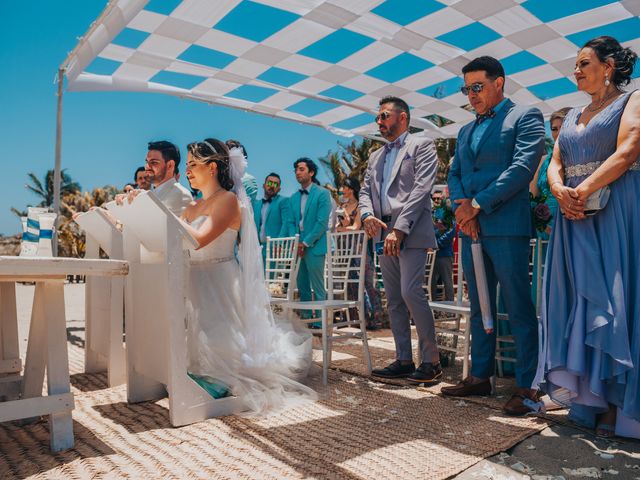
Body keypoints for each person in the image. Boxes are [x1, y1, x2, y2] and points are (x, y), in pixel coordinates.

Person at [534, 36, 640, 438]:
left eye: (583, 63)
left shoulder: (632, 101)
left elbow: (628, 150)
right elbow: (555, 160)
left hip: (615, 208)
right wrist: (560, 189)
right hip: (573, 216)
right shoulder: (576, 111)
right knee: (576, 297)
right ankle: (586, 397)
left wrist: (583, 190)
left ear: (608, 66)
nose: (575, 72)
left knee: (615, 298)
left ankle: (616, 403)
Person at [178, 137, 315, 414]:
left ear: (213, 167)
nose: (187, 171)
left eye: (193, 164)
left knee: (224, 342)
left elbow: (200, 239)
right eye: (187, 165)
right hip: (192, 278)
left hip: (220, 279)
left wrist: (167, 220)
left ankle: (220, 378)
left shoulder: (228, 201)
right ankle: (199, 372)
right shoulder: (191, 207)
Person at [443, 56, 546, 415]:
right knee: (479, 305)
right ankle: (480, 375)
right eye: (466, 88)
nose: (471, 95)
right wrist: (461, 207)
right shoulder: (466, 130)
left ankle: (526, 385)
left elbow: (523, 167)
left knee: (518, 306)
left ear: (498, 83)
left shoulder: (526, 116)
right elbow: (454, 171)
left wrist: (478, 205)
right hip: (471, 229)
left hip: (507, 227)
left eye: (477, 87)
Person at [359, 96, 441, 384]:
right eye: (378, 118)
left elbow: (421, 189)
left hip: (412, 229)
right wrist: (367, 214)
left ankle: (432, 361)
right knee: (393, 299)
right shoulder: (374, 156)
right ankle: (404, 359)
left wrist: (401, 229)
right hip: (382, 231)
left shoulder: (423, 144)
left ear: (402, 117)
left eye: (384, 116)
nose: (379, 122)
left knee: (411, 292)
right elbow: (365, 191)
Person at [529, 107, 570, 305]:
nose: (557, 133)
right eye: (553, 128)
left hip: (569, 223)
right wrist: (540, 223)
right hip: (543, 225)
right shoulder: (544, 160)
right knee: (542, 276)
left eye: (562, 127)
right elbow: (532, 194)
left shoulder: (579, 156)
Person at [335, 176, 384, 330]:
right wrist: (343, 223)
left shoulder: (360, 206)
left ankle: (374, 317)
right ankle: (356, 317)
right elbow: (339, 226)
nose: (343, 190)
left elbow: (356, 227)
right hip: (345, 247)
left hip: (359, 247)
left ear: (351, 189)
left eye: (345, 187)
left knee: (367, 282)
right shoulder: (342, 206)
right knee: (350, 282)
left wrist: (342, 228)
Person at [290, 158, 331, 322]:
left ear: (311, 172)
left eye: (301, 169)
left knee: (318, 286)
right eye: (296, 170)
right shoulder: (293, 197)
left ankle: (321, 321)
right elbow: (291, 223)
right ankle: (307, 321)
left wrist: (305, 242)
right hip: (297, 247)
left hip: (315, 246)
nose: (297, 172)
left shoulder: (323, 193)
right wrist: (296, 243)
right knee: (302, 286)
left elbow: (321, 223)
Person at [253, 172, 294, 264]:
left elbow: (286, 224)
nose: (272, 186)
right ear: (264, 185)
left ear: (279, 189)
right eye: (270, 183)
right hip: (256, 248)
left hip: (273, 249)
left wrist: (279, 244)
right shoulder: (256, 204)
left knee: (268, 278)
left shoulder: (283, 201)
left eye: (275, 184)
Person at [143, 141, 192, 216]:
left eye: (154, 162)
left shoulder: (181, 194)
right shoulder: (148, 195)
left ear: (170, 165)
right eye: (147, 162)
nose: (147, 167)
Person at [430, 190, 455, 301]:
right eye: (434, 198)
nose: (436, 200)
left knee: (447, 282)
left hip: (444, 253)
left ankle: (452, 313)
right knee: (431, 282)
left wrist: (437, 244)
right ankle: (434, 310)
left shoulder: (448, 212)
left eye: (438, 198)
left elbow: (451, 231)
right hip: (431, 254)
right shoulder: (430, 213)